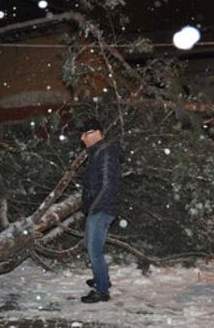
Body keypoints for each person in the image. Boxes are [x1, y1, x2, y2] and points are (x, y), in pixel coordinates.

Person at [79, 118, 123, 303]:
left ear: (96, 133)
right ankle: (101, 278)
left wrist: (94, 207)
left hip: (103, 207)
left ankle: (102, 291)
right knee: (90, 245)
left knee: (94, 250)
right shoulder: (98, 152)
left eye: (85, 134)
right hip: (99, 206)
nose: (82, 138)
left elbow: (107, 185)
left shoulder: (104, 153)